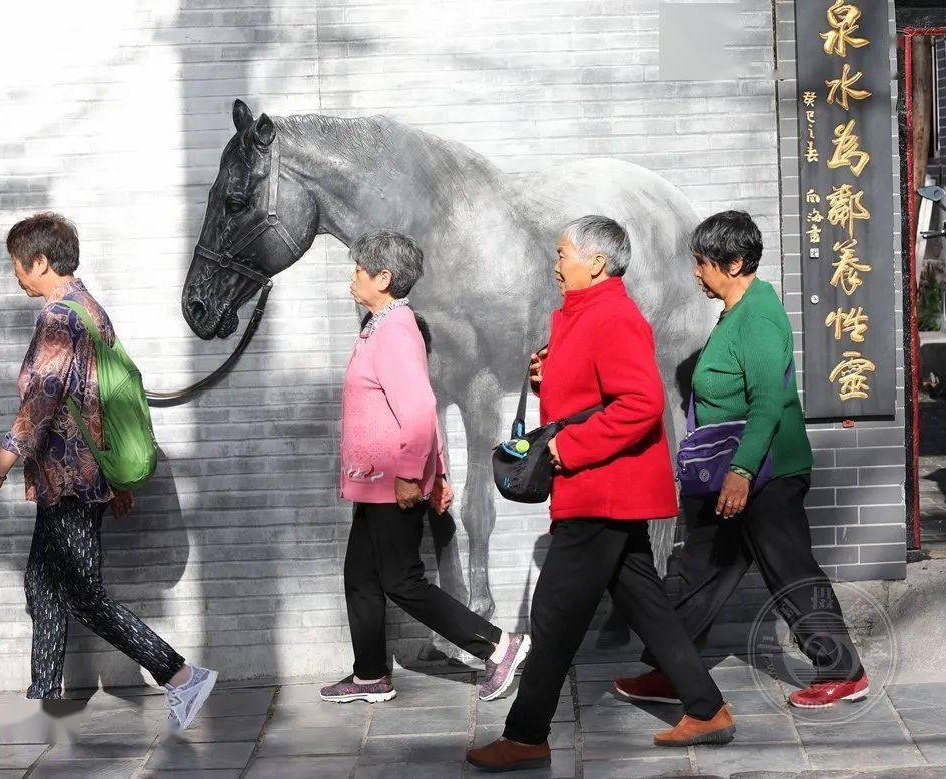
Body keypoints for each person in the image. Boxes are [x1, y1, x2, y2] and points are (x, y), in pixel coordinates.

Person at [468, 216, 735, 772]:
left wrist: (571, 447)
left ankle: (526, 736)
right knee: (647, 605)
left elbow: (640, 403)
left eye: (563, 253)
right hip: (603, 492)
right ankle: (707, 709)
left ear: (596, 261)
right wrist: (549, 376)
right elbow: (592, 388)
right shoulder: (580, 314)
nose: (556, 262)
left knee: (554, 613)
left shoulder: (614, 316)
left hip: (602, 491)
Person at [0, 212, 217, 731]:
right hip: (76, 479)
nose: (15, 274)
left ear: (39, 262)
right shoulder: (90, 308)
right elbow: (103, 395)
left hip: (71, 481)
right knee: (42, 585)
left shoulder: (60, 318)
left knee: (84, 596)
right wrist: (114, 477)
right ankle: (43, 702)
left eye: (17, 264)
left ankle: (181, 675)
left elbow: (40, 403)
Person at [614, 210, 868, 709]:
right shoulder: (736, 312)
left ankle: (844, 672)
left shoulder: (758, 316)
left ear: (732, 264)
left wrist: (742, 472)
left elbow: (768, 403)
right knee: (701, 572)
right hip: (729, 473)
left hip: (765, 473)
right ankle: (673, 670)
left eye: (702, 262)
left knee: (789, 571)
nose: (695, 272)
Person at [320, 229, 530, 704]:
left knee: (403, 583)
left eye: (359, 269)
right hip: (373, 485)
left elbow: (417, 409)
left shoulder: (395, 330)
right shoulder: (379, 325)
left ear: (384, 277)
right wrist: (438, 471)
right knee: (361, 577)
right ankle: (370, 675)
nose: (352, 275)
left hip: (394, 484)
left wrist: (417, 476)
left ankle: (501, 647)